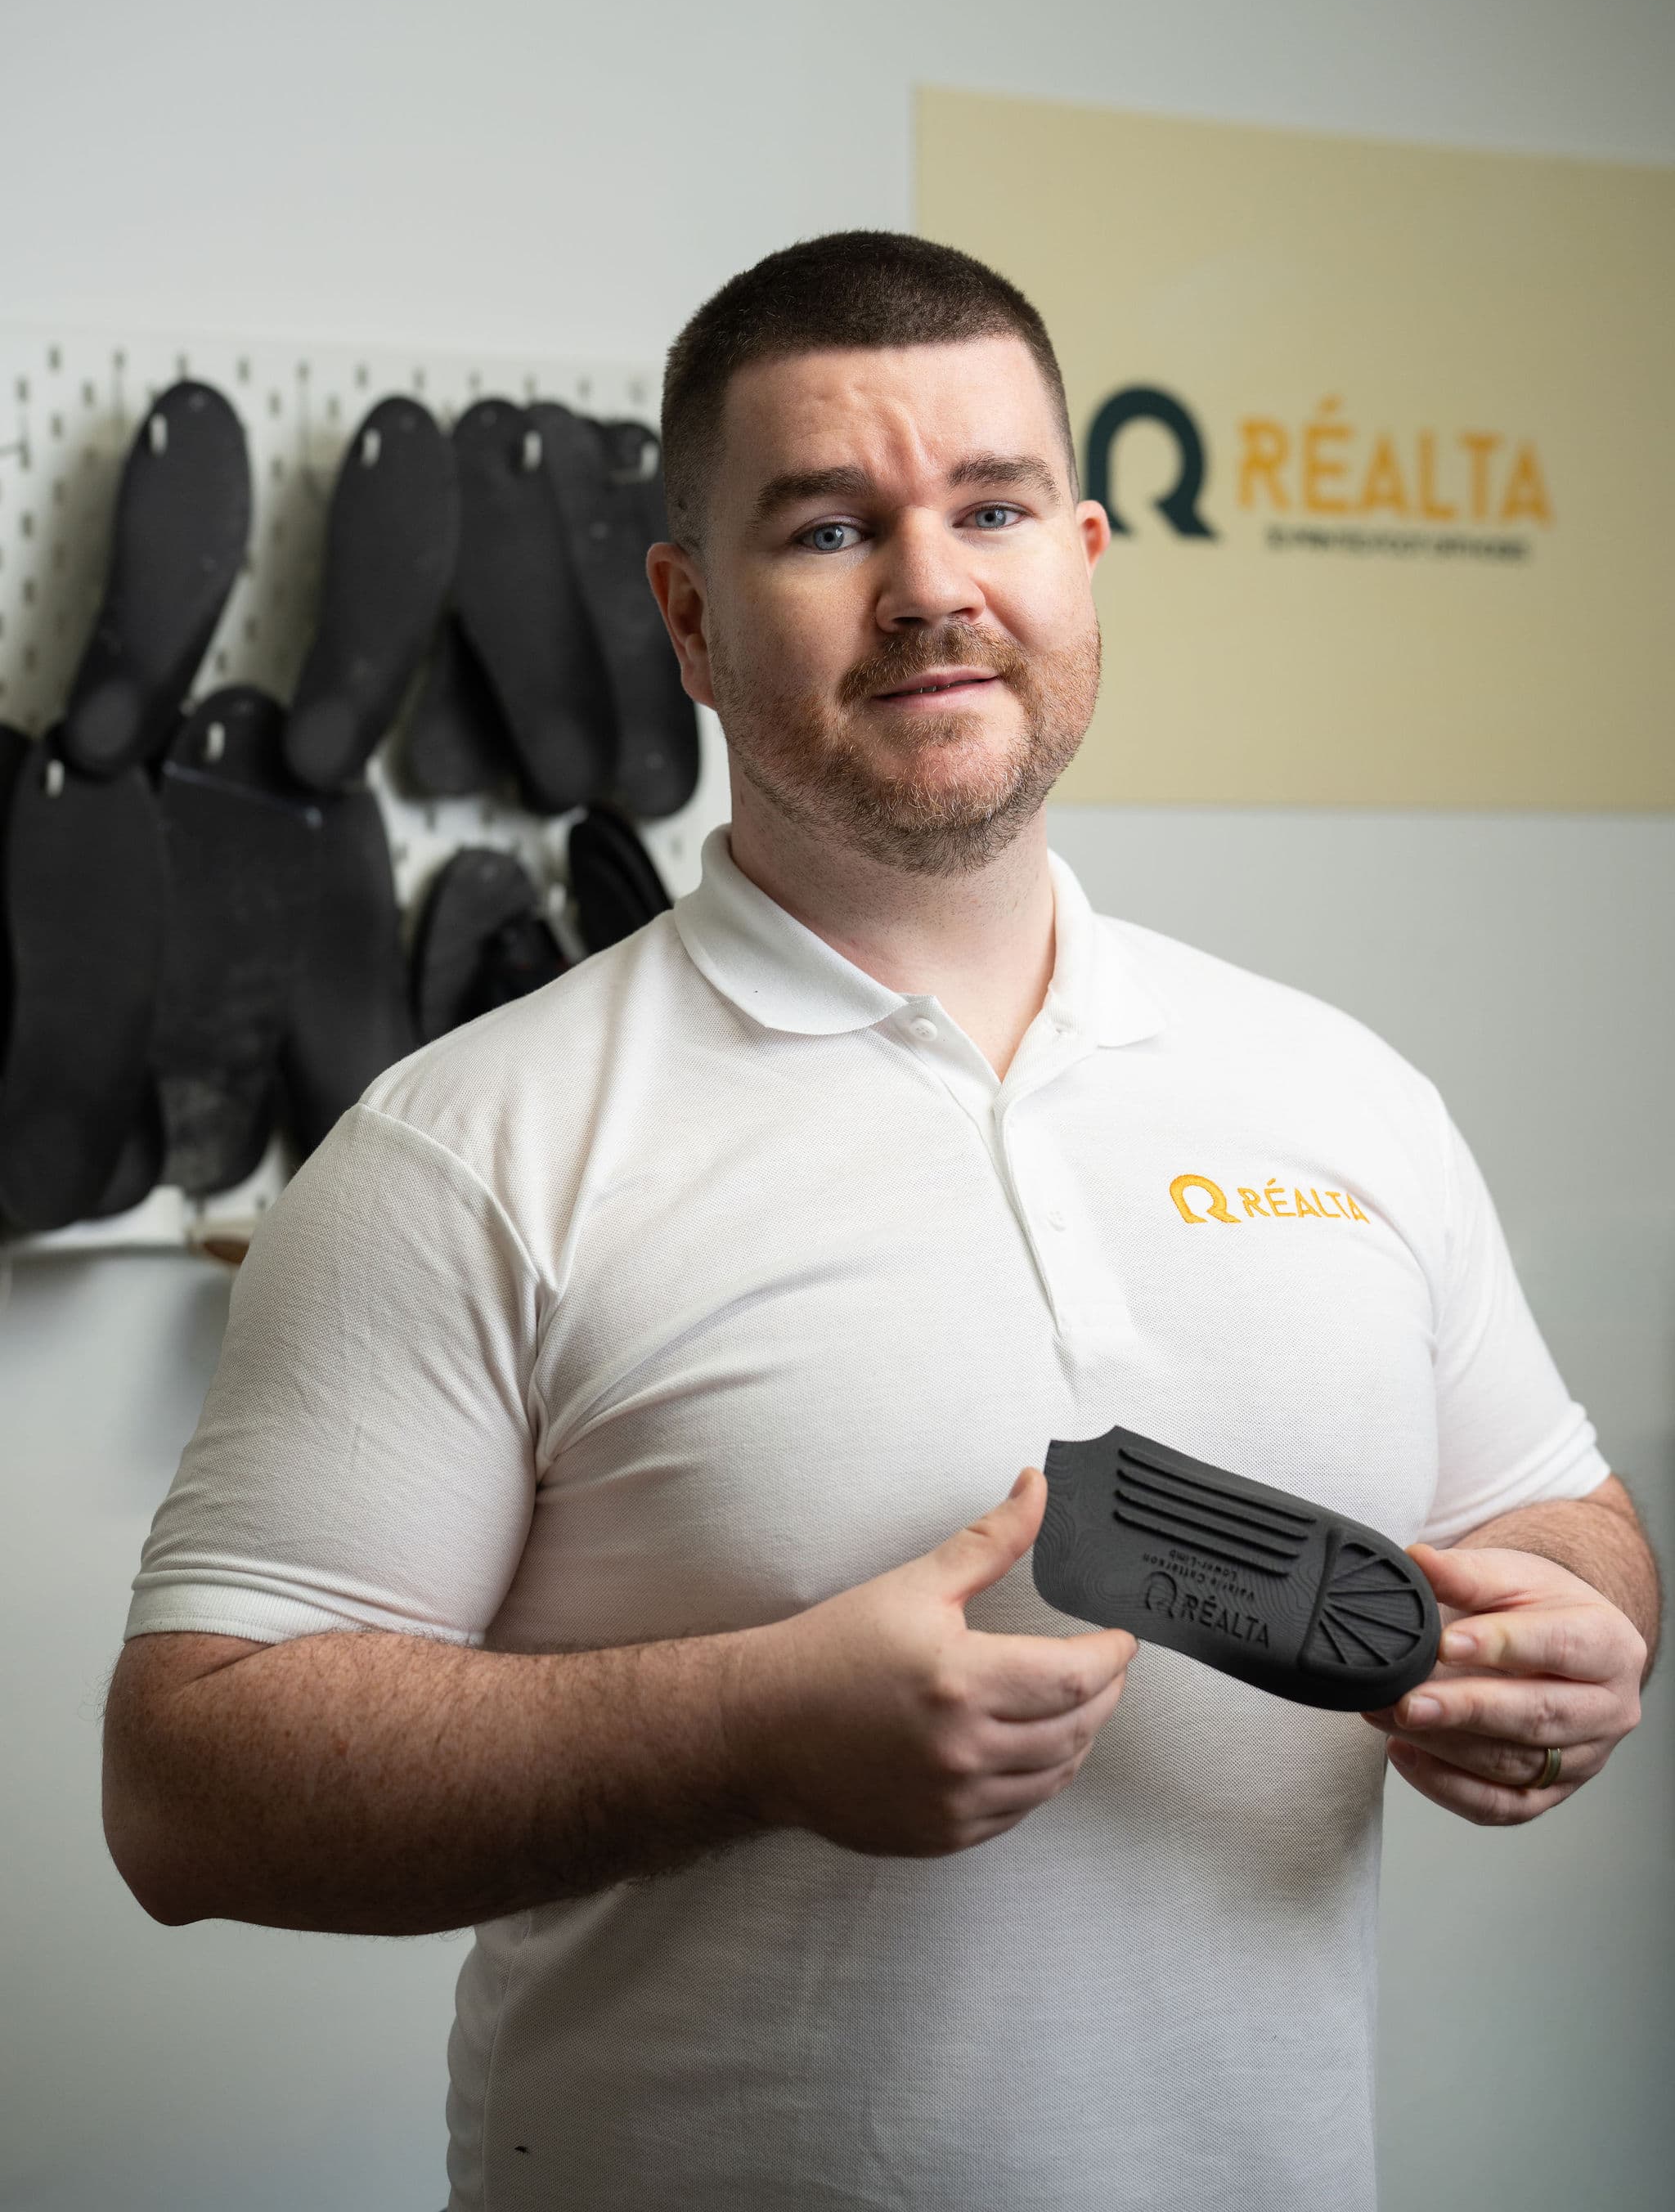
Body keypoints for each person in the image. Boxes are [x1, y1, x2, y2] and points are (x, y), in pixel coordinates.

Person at [104, 231, 1659, 2212]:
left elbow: (1553, 1506)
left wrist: (1578, 1629)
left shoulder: (1341, 1090)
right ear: (683, 615)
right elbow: (188, 1794)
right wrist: (748, 1729)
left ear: (1083, 554)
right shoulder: (472, 1148)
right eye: (831, 528)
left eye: (992, 508)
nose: (933, 587)